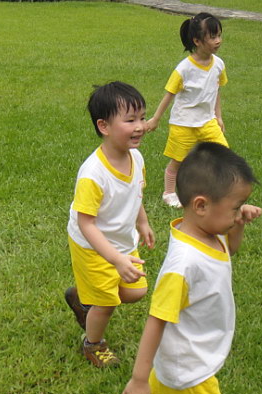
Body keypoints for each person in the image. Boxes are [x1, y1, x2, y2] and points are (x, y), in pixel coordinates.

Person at [86, 142, 262, 394]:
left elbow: (229, 250)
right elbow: (156, 320)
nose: (239, 212)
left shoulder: (208, 234)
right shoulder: (183, 265)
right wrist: (138, 379)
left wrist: (237, 224)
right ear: (201, 205)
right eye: (235, 207)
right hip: (190, 365)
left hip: (182, 354)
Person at [64, 81, 155, 368]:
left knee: (136, 291)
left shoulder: (136, 157)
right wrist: (115, 259)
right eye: (130, 120)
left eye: (142, 118)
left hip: (120, 240)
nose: (140, 126)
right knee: (106, 302)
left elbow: (135, 192)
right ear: (104, 126)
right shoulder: (93, 174)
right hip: (92, 245)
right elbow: (86, 223)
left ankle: (83, 298)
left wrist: (142, 222)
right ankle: (93, 344)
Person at [147, 12, 228, 208]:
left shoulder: (218, 65)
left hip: (207, 121)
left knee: (223, 154)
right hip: (183, 123)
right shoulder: (183, 69)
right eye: (213, 37)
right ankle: (169, 192)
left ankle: (211, 189)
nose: (218, 41)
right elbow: (169, 95)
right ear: (197, 41)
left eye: (219, 35)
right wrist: (155, 119)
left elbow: (216, 90)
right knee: (178, 160)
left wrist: (218, 116)